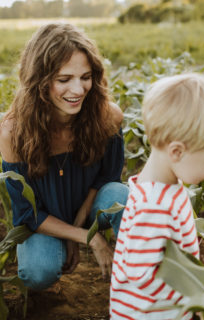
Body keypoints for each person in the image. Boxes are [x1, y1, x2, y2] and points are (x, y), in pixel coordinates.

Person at [0, 23, 129, 291]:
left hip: (92, 207)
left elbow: (107, 179)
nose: (79, 89)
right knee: (38, 272)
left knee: (123, 197)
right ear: (39, 81)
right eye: (64, 79)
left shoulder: (108, 116)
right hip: (43, 220)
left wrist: (80, 232)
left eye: (85, 77)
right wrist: (90, 239)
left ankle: (140, 279)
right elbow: (27, 214)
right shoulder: (13, 132)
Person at [109, 73, 204, 320]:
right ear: (177, 151)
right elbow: (141, 272)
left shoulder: (163, 188)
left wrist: (192, 246)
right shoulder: (154, 206)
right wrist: (197, 294)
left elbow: (166, 245)